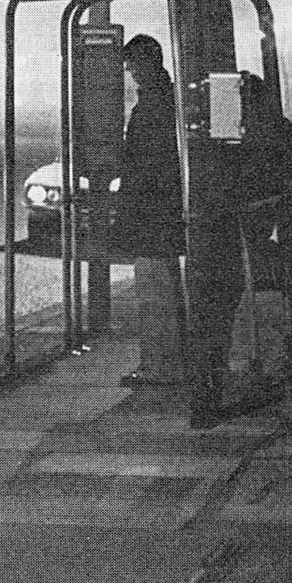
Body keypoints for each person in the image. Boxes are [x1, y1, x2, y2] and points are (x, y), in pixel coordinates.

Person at [185, 72, 292, 425]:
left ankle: (212, 391)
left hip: (227, 229)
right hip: (245, 228)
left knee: (216, 310)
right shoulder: (271, 132)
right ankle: (224, 382)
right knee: (226, 308)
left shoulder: (245, 136)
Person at [118, 33, 185, 390]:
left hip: (150, 213)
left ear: (147, 63)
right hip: (163, 211)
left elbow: (141, 164)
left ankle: (158, 365)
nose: (130, 73)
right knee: (164, 289)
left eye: (132, 66)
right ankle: (164, 360)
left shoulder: (151, 106)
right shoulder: (168, 99)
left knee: (153, 294)